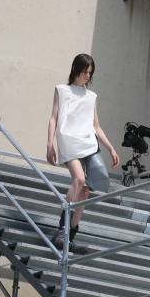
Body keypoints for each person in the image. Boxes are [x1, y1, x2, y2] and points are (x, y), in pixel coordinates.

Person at [46, 54, 119, 254]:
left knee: (86, 190)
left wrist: (111, 148)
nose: (87, 75)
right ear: (76, 69)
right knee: (78, 179)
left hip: (87, 141)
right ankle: (61, 229)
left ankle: (71, 234)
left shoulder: (91, 96)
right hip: (68, 141)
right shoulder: (62, 90)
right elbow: (53, 118)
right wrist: (50, 144)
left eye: (90, 72)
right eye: (85, 71)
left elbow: (96, 126)